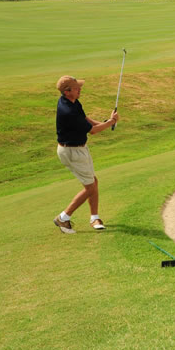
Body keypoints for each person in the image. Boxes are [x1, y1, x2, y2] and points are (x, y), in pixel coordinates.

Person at [53, 75, 119, 234]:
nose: (80, 89)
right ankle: (63, 217)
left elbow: (87, 120)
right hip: (71, 151)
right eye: (76, 88)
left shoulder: (73, 103)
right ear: (67, 92)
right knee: (90, 187)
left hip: (78, 149)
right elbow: (94, 131)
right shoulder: (67, 110)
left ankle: (94, 218)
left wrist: (107, 121)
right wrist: (110, 123)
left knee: (93, 182)